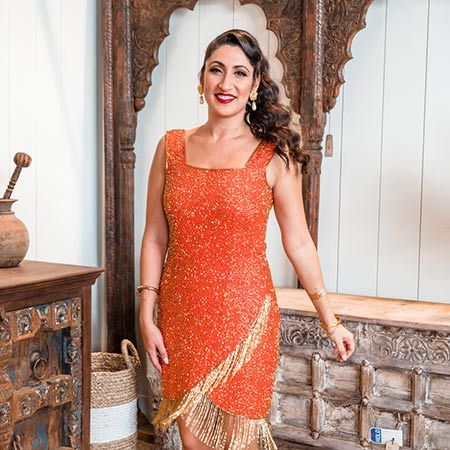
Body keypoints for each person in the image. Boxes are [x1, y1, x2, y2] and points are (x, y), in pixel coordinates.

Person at [138, 28, 355, 450]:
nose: (226, 83)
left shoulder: (274, 155)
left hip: (245, 319)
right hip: (181, 317)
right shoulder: (171, 147)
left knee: (240, 442)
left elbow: (299, 243)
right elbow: (154, 238)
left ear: (254, 84)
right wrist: (147, 316)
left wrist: (331, 320)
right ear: (202, 78)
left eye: (240, 73)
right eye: (216, 70)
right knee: (193, 444)